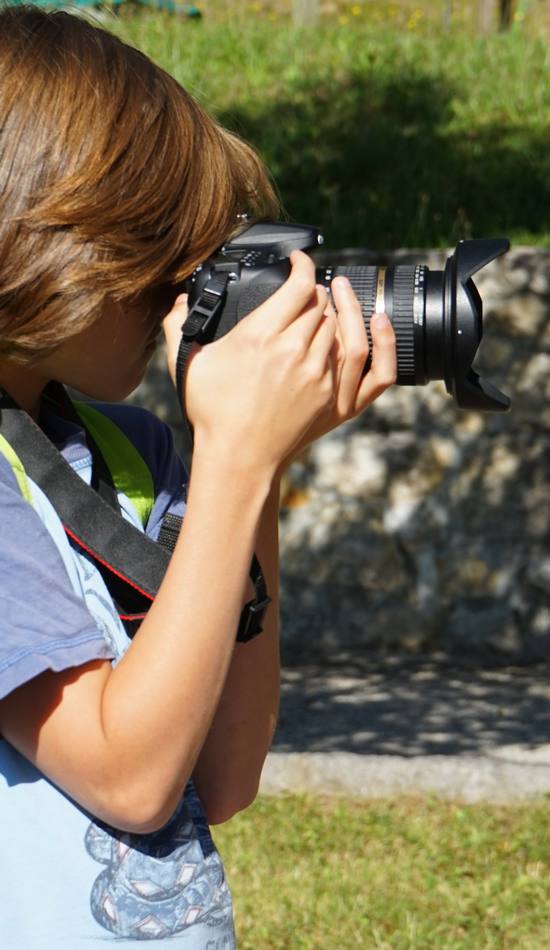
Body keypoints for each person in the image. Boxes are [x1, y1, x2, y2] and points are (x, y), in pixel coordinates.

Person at [0, 6, 396, 948]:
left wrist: (252, 473)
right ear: (59, 243)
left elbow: (222, 775)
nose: (181, 288)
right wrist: (236, 456)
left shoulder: (129, 451)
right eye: (158, 249)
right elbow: (131, 777)